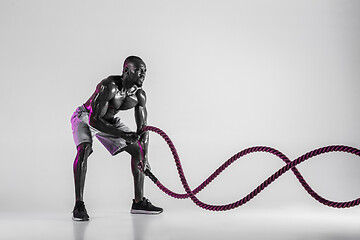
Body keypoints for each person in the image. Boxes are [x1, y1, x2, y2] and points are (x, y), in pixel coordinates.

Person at [70, 56, 163, 221]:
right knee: (84, 149)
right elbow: (93, 120)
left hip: (109, 121)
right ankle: (79, 205)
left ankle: (138, 202)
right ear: (126, 70)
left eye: (145, 71)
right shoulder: (109, 86)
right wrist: (121, 134)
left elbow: (143, 130)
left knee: (138, 150)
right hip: (87, 116)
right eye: (139, 70)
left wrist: (145, 157)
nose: (143, 75)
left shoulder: (139, 96)